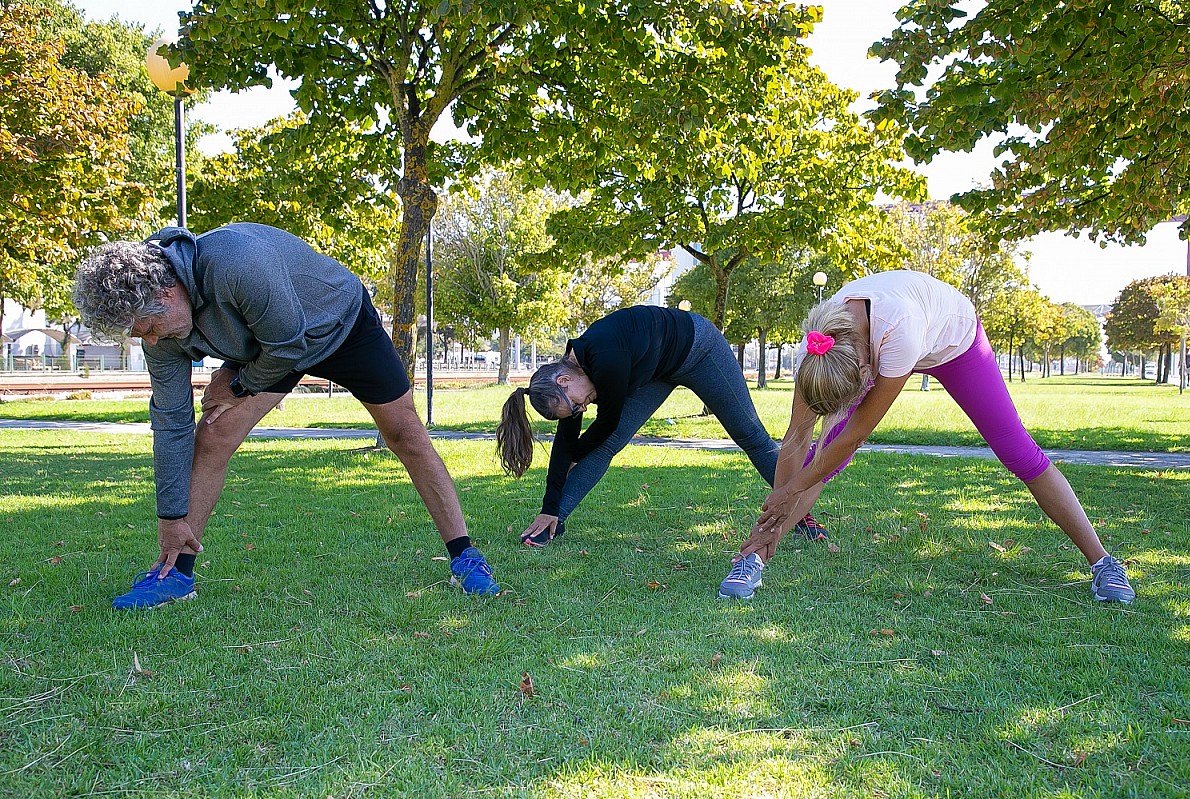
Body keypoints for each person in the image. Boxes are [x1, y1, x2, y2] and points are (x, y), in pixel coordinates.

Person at [72, 223, 501, 608]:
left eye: (147, 327)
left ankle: (465, 555)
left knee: (405, 433)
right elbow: (170, 422)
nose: (150, 339)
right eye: (138, 334)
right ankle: (176, 573)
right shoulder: (161, 334)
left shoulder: (237, 264)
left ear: (166, 293)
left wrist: (238, 384)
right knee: (214, 434)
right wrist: (170, 517)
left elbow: (290, 346)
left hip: (337, 324)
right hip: (272, 343)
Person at [729, 270, 1135, 604]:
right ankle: (755, 558)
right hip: (871, 346)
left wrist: (790, 491)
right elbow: (797, 438)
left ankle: (1103, 563)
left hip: (955, 342)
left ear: (864, 370)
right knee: (811, 452)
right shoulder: (818, 350)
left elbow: (851, 437)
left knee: (1017, 450)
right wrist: (771, 521)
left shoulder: (899, 333)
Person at [495, 305, 825, 590]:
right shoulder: (574, 377)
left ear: (563, 381)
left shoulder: (605, 360)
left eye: (578, 405)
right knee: (605, 446)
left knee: (751, 435)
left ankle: (799, 512)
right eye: (577, 411)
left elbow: (604, 426)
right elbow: (567, 442)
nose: (582, 410)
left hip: (699, 348)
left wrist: (574, 456)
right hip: (658, 369)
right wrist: (550, 505)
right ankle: (557, 520)